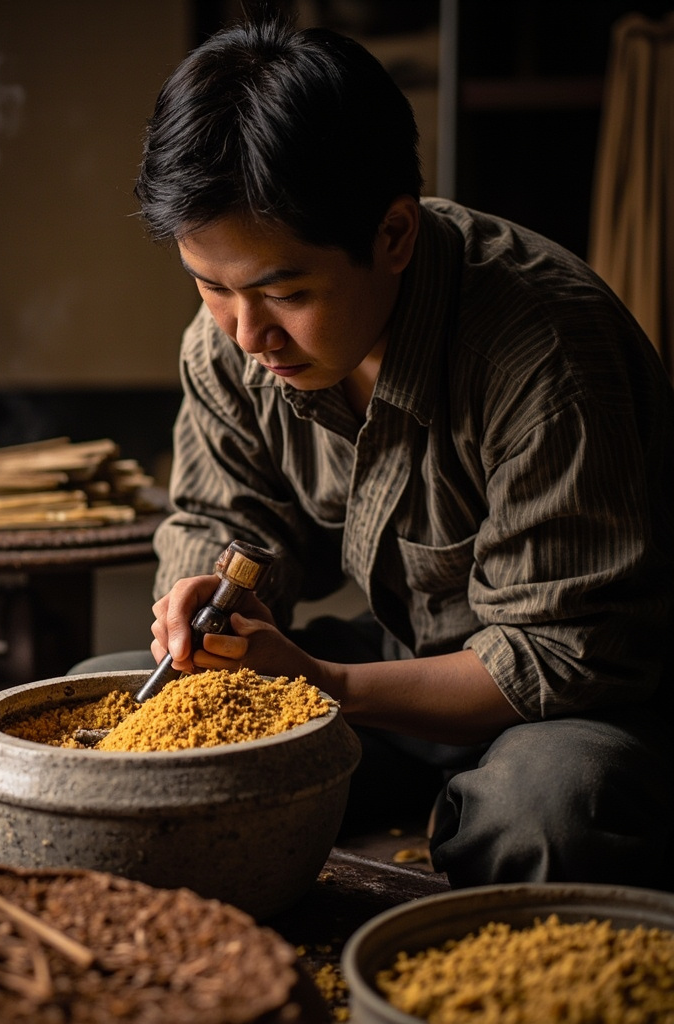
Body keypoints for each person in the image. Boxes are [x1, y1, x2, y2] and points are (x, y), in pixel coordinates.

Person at [75, 19, 674, 890]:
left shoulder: (548, 357)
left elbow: (560, 657)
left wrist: (324, 684)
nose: (248, 335)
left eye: (286, 292)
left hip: (582, 705)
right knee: (102, 695)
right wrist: (205, 606)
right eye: (210, 286)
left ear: (394, 234)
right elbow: (220, 519)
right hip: (399, 662)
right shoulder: (232, 343)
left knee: (550, 807)